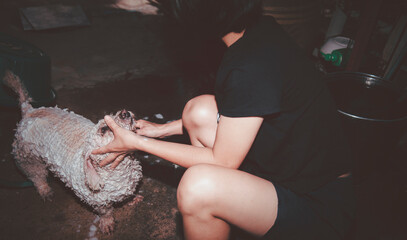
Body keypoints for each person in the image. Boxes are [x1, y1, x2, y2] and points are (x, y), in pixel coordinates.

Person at [92, 0, 355, 239]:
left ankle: (208, 210)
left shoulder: (248, 67)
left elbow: (223, 160)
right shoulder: (258, 33)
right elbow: (244, 110)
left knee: (197, 189)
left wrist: (136, 142)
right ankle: (219, 217)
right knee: (199, 111)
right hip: (290, 169)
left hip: (318, 206)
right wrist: (163, 130)